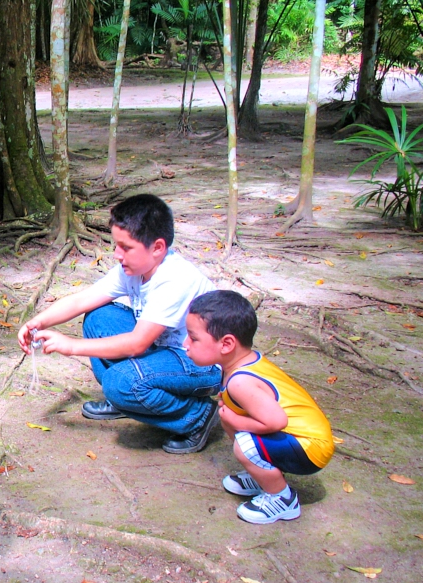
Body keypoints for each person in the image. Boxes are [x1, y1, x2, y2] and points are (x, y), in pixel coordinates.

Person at [18, 193, 221, 454]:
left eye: (125, 247)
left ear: (157, 247)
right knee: (98, 317)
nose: (116, 254)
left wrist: (69, 346)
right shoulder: (136, 268)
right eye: (116, 245)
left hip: (200, 363)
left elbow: (137, 344)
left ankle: (196, 416)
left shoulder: (175, 280)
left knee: (119, 383)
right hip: (166, 348)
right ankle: (127, 402)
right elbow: (84, 299)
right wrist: (37, 322)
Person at [184, 290, 334, 524]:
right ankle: (262, 476)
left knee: (244, 445)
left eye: (193, 338)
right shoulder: (244, 362)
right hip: (302, 438)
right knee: (233, 421)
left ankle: (282, 499)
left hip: (311, 447)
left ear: (226, 344)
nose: (186, 344)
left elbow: (276, 422)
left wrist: (235, 421)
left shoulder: (241, 381)